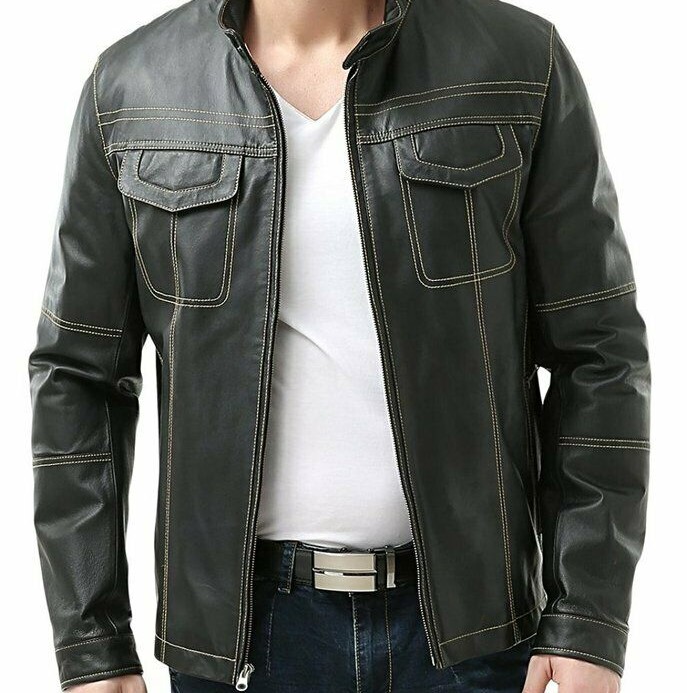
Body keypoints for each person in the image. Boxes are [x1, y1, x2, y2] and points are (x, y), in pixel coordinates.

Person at [28, 0, 650, 691]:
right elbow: (77, 375)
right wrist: (92, 643)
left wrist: (587, 618)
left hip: (477, 640)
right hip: (241, 641)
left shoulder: (517, 64)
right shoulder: (133, 88)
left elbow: (598, 350)